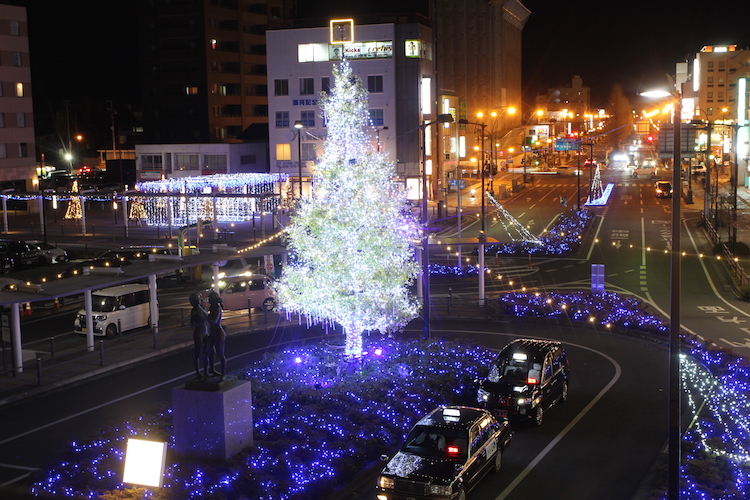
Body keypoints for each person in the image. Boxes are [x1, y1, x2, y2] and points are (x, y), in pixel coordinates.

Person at [206, 290, 227, 381]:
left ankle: (223, 374)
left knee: (220, 353)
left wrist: (205, 316)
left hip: (218, 333)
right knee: (209, 352)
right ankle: (211, 369)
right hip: (212, 332)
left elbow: (214, 320)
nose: (208, 300)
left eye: (210, 299)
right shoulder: (212, 307)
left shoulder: (217, 308)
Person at [189, 292, 210, 379]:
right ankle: (198, 372)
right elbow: (192, 324)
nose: (200, 299)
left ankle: (206, 371)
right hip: (199, 332)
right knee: (198, 353)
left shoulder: (202, 308)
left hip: (205, 330)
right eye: (198, 298)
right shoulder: (194, 311)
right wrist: (200, 322)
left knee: (207, 352)